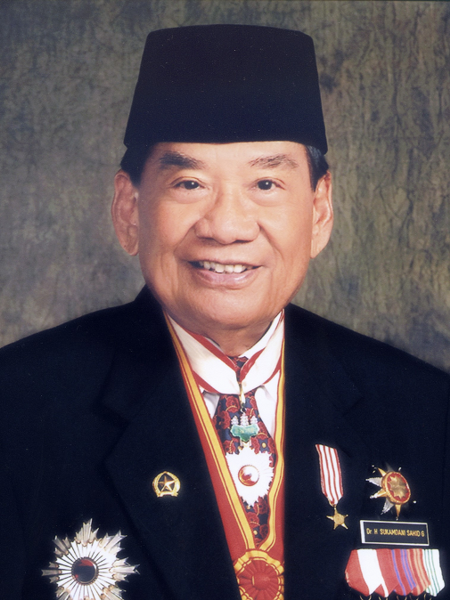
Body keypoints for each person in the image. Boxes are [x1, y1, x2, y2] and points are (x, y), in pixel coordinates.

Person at [0, 24, 448, 600]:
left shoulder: (427, 412)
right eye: (190, 183)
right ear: (129, 209)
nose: (227, 227)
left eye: (266, 183)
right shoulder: (18, 408)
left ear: (319, 210)